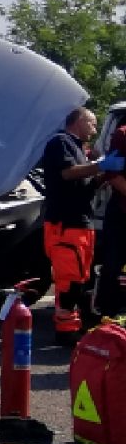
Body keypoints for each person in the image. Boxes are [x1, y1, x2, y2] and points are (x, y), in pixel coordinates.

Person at [39, 106, 118, 345]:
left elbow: (83, 185)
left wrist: (103, 176)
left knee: (81, 277)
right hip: (65, 224)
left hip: (81, 222)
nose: (95, 130)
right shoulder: (61, 142)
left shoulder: (78, 148)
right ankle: (65, 331)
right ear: (78, 121)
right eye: (92, 124)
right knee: (69, 281)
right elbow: (67, 174)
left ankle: (78, 323)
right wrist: (101, 165)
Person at [93, 125, 126, 322]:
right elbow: (113, 175)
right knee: (114, 264)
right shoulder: (123, 134)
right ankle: (110, 317)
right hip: (122, 212)